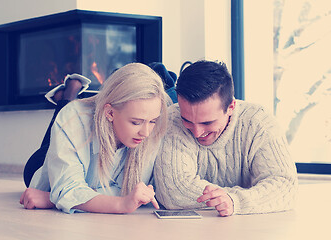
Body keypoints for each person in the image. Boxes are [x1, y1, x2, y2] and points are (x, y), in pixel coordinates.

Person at [20, 62, 171, 214]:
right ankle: (66, 98)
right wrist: (120, 204)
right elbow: (66, 189)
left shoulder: (154, 130)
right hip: (45, 163)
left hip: (86, 149)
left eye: (152, 121)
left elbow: (128, 190)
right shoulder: (74, 118)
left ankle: (66, 97)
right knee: (65, 117)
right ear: (110, 113)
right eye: (136, 122)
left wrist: (60, 199)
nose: (145, 132)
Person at [154, 60, 298, 217]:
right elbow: (173, 191)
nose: (197, 132)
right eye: (187, 120)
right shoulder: (173, 118)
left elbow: (285, 186)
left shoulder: (259, 122)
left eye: (207, 122)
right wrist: (246, 197)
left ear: (231, 107)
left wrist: (235, 201)